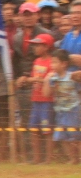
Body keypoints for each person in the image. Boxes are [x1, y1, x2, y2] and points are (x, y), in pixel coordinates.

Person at [12, 2, 50, 130]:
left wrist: (27, 75)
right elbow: (16, 60)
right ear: (20, 17)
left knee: (44, 121)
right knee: (27, 119)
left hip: (40, 82)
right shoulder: (17, 38)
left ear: (37, 15)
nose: (28, 18)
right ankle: (29, 149)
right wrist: (17, 78)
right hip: (23, 85)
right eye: (25, 15)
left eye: (31, 14)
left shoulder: (46, 34)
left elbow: (48, 59)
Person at [20, 32, 55, 163]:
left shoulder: (52, 62)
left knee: (47, 130)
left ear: (46, 47)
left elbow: (51, 79)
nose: (34, 48)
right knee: (34, 129)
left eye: (37, 45)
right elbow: (34, 78)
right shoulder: (36, 61)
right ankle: (36, 158)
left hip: (47, 100)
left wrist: (35, 79)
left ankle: (48, 159)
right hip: (36, 99)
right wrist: (31, 79)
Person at [44, 48, 81, 163]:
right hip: (60, 110)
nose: (52, 65)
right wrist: (46, 80)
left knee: (75, 136)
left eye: (55, 62)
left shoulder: (72, 77)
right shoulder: (53, 79)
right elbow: (46, 94)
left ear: (64, 64)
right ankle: (72, 158)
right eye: (51, 62)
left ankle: (79, 157)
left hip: (73, 109)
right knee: (62, 136)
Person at [57, 0, 81, 70]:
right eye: (73, 13)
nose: (75, 16)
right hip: (68, 77)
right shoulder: (68, 36)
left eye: (78, 13)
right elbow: (61, 57)